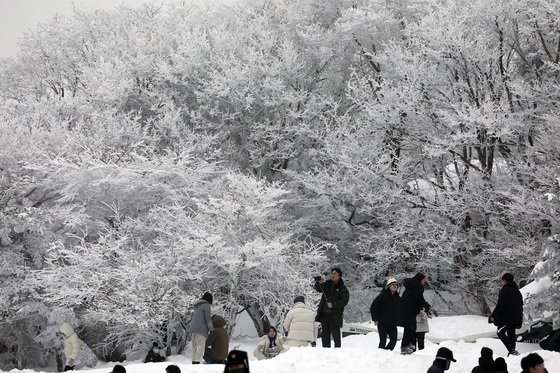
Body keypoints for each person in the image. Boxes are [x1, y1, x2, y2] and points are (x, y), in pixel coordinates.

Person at [314, 267, 350, 348]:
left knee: (336, 336)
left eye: (334, 274)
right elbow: (318, 288)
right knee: (325, 336)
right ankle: (326, 353)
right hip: (324, 315)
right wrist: (318, 282)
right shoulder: (327, 284)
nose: (332, 275)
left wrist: (333, 304)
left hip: (335, 316)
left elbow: (344, 301)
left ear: (339, 276)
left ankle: (337, 352)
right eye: (332, 274)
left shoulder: (342, 288)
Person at [489, 272, 523, 356]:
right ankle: (512, 353)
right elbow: (520, 307)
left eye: (502, 281)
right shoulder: (517, 292)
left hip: (507, 318)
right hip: (515, 318)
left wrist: (493, 316)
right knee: (511, 334)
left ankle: (512, 351)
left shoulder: (505, 290)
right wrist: (519, 321)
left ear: (505, 280)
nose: (501, 283)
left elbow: (500, 305)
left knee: (500, 333)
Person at [396, 272, 431, 354]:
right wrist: (425, 307)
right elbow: (419, 300)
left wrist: (424, 307)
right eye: (424, 279)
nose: (425, 281)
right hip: (407, 311)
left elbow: (418, 300)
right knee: (409, 328)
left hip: (408, 310)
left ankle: (408, 344)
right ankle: (404, 346)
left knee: (412, 328)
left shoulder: (413, 286)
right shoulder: (416, 288)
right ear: (420, 279)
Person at [369, 277, 400, 350]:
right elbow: (373, 307)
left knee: (393, 341)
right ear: (389, 286)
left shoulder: (398, 297)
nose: (395, 286)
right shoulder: (383, 295)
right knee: (383, 341)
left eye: (396, 285)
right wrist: (375, 319)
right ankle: (380, 355)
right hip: (383, 322)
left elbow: (402, 308)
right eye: (393, 285)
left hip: (393, 323)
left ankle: (385, 354)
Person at [190, 291, 214, 364]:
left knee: (194, 347)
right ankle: (197, 364)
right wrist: (211, 329)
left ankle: (194, 362)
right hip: (201, 329)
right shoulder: (206, 306)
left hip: (193, 329)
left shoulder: (197, 306)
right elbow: (208, 319)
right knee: (200, 347)